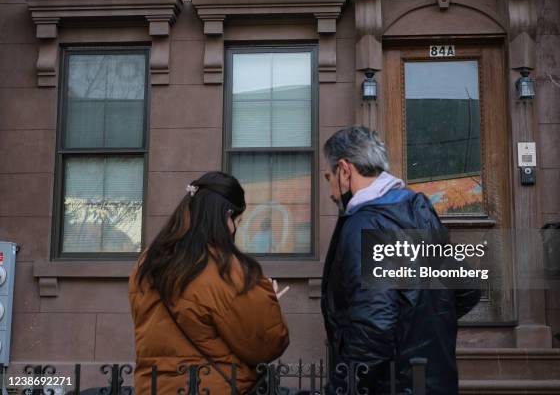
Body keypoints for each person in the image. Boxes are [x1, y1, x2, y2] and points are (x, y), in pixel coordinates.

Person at [321, 127, 480, 395]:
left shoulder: (363, 224)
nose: (331, 192)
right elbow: (467, 289)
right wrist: (420, 329)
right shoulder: (419, 212)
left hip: (390, 386)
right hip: (434, 381)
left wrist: (340, 389)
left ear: (345, 170)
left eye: (329, 178)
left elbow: (374, 324)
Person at [128, 171, 290, 394]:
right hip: (210, 387)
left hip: (154, 386)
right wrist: (269, 302)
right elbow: (266, 345)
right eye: (238, 222)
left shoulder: (146, 262)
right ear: (228, 216)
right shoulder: (226, 269)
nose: (235, 230)